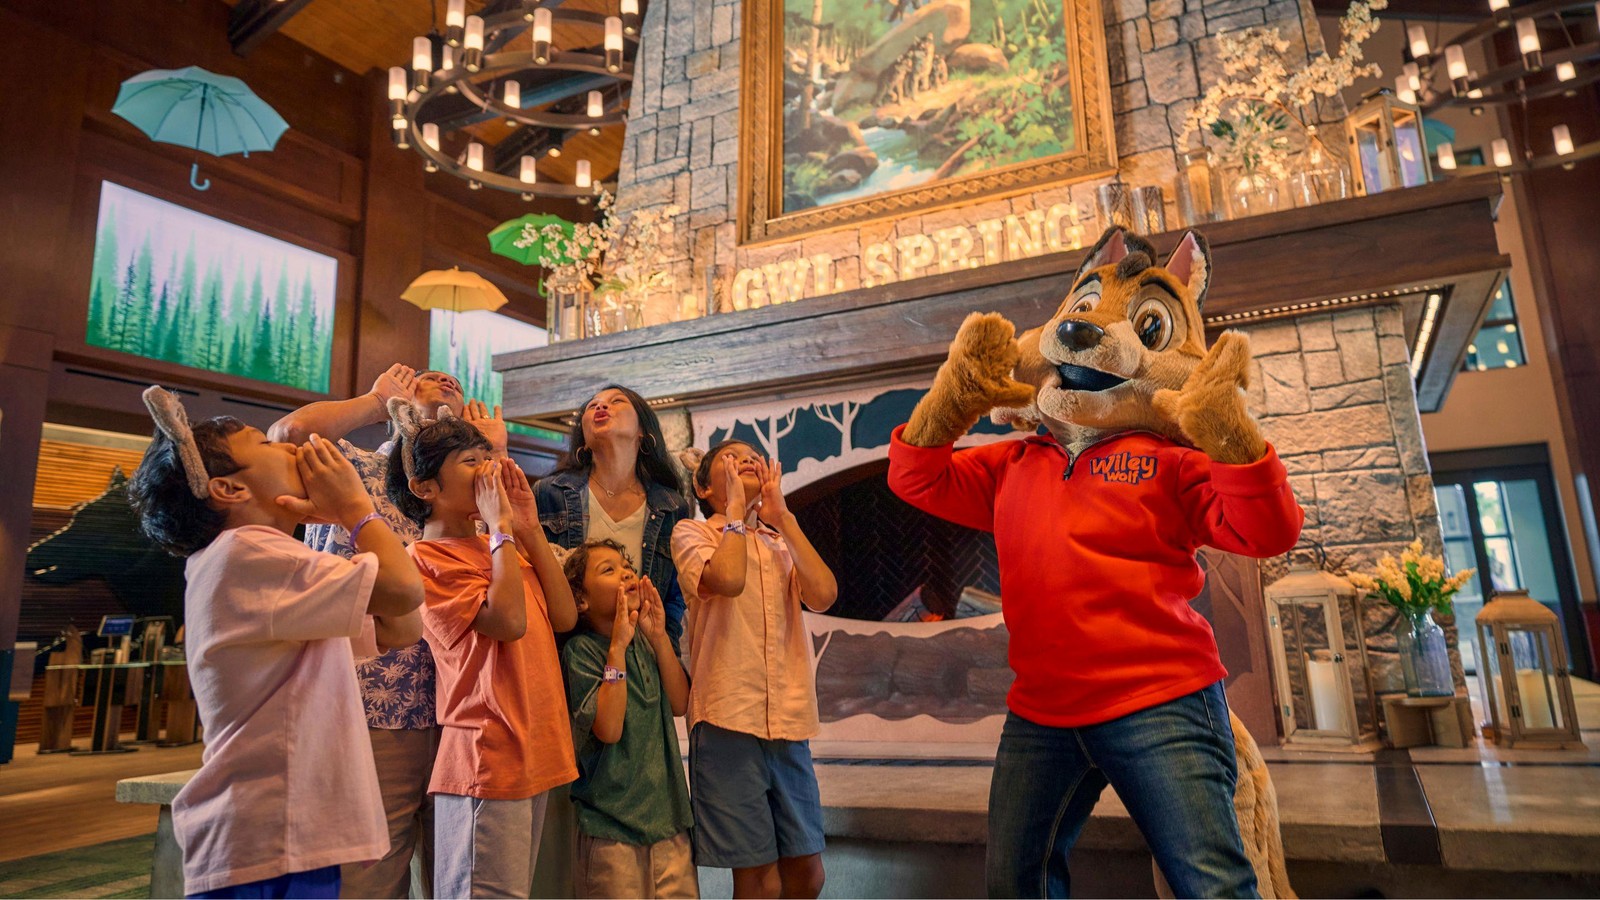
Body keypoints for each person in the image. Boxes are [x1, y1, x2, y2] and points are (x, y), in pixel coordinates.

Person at [128, 386, 424, 898]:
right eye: (263, 445)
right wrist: (355, 508)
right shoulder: (246, 551)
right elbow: (402, 589)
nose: (290, 448)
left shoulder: (257, 559)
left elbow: (402, 627)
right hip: (267, 832)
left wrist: (343, 519)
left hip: (282, 831)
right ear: (228, 489)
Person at [268, 365, 506, 898]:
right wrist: (375, 401)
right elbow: (285, 436)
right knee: (370, 870)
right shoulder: (354, 467)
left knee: (462, 873)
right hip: (374, 700)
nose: (444, 379)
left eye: (453, 382)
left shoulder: (480, 492)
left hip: (463, 707)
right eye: (427, 376)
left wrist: (491, 456)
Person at [386, 409, 578, 899]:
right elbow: (509, 623)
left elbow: (564, 617)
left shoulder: (499, 546)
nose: (488, 470)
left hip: (533, 746)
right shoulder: (425, 561)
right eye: (471, 460)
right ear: (424, 487)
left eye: (488, 457)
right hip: (486, 756)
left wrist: (528, 528)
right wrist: (501, 531)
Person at [671, 441, 838, 900]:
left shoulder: (779, 540)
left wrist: (782, 517)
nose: (745, 458)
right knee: (758, 881)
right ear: (705, 486)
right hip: (728, 719)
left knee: (809, 874)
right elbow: (728, 579)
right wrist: (737, 514)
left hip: (788, 722)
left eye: (751, 454)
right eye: (730, 456)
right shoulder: (693, 532)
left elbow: (823, 594)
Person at [561, 540, 697, 899]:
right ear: (581, 600)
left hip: (669, 823)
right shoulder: (581, 652)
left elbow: (681, 702)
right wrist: (617, 648)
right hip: (610, 828)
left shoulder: (649, 641)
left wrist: (658, 637)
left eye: (626, 566)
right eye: (608, 570)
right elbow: (609, 728)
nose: (625, 573)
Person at [536, 385, 690, 652]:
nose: (600, 406)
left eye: (616, 401)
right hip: (565, 656)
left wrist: (664, 648)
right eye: (592, 405)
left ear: (643, 431)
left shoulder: (670, 505)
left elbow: (674, 598)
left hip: (642, 660)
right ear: (582, 438)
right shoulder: (550, 493)